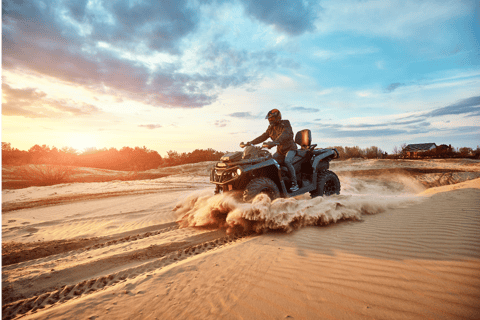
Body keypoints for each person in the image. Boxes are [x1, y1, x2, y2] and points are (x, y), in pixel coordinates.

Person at [245, 109, 299, 192]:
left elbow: (285, 134)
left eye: (272, 119)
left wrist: (275, 142)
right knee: (272, 162)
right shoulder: (271, 128)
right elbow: (263, 136)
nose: (270, 121)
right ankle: (278, 182)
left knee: (287, 161)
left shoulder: (285, 123)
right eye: (269, 119)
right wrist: (251, 142)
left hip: (290, 149)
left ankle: (294, 184)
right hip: (280, 151)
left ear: (278, 118)